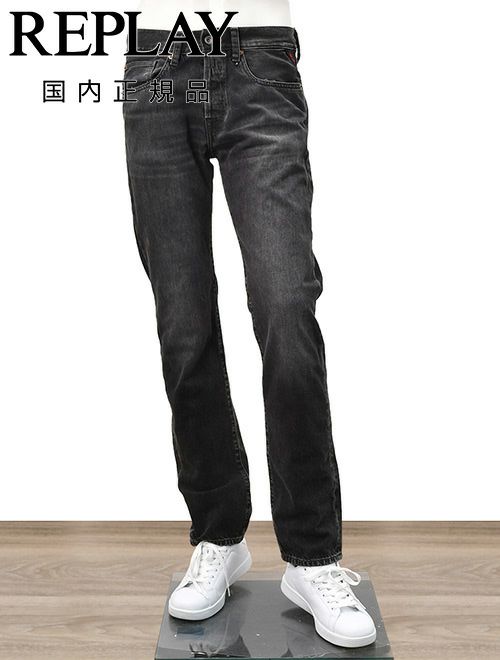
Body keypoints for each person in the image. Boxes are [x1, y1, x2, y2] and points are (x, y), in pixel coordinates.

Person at [123, 0, 376, 648]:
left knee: (285, 305)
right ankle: (218, 536)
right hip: (156, 63)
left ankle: (312, 557)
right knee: (183, 323)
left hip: (258, 57)